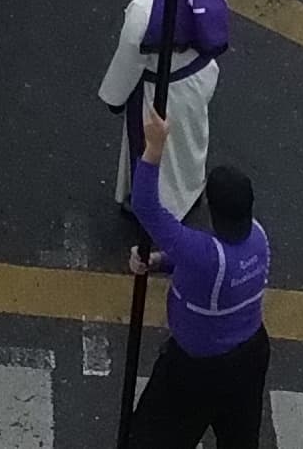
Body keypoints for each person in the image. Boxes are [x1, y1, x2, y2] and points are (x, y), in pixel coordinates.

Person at [119, 104, 268, 449]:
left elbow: (146, 207)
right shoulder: (258, 239)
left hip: (196, 371)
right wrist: (159, 262)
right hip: (249, 357)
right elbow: (203, 267)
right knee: (239, 440)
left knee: (148, 441)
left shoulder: (204, 255)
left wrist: (154, 147)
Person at [96, 0, 229, 219]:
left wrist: (114, 97)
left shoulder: (145, 9)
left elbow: (129, 59)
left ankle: (156, 210)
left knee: (153, 154)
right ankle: (192, 189)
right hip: (200, 77)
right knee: (192, 140)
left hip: (159, 90)